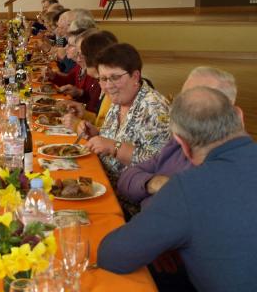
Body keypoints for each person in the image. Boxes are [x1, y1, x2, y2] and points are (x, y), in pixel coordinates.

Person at [97, 86, 257, 292]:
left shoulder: (187, 187)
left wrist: (164, 239)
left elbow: (112, 255)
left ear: (182, 144)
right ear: (239, 115)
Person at [118, 66, 238, 209]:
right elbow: (126, 179)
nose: (183, 108)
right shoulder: (178, 143)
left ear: (229, 109)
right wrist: (153, 182)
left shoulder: (227, 164)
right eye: (183, 97)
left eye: (196, 101)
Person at [79, 43, 170, 190]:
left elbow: (160, 164)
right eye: (103, 78)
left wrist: (113, 147)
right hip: (101, 182)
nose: (108, 85)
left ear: (135, 76)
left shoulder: (154, 109)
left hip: (126, 200)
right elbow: (121, 136)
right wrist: (97, 133)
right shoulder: (121, 98)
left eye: (115, 77)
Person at [61, 30, 117, 131]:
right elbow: (102, 121)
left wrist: (79, 125)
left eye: (81, 54)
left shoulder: (115, 87)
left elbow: (115, 136)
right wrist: (85, 115)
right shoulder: (101, 80)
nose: (78, 58)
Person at [48, 29, 101, 114]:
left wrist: (80, 94)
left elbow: (93, 109)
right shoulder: (80, 67)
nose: (65, 48)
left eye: (70, 45)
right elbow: (70, 80)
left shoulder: (96, 75)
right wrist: (54, 76)